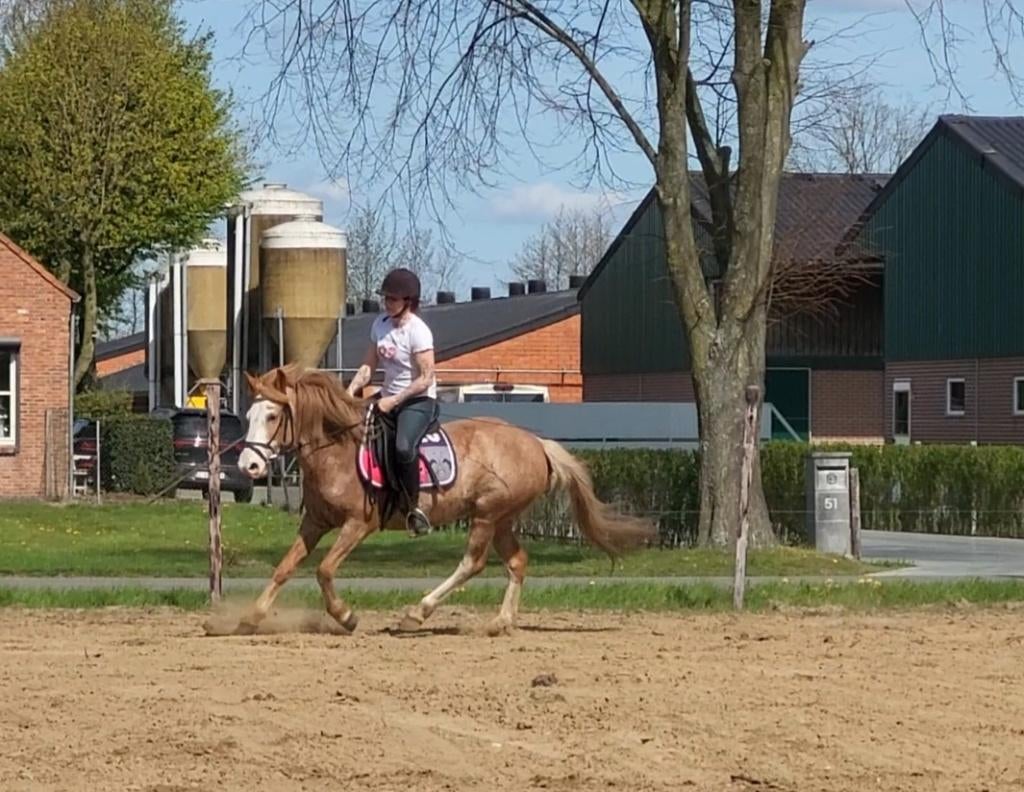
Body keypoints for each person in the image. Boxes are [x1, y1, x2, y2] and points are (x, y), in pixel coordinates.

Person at [347, 267, 438, 536]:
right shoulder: (380, 325)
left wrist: (394, 401)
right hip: (387, 398)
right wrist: (350, 392)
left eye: (393, 299)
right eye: (385, 298)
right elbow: (368, 366)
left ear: (408, 301)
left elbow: (426, 377)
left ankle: (413, 508)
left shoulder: (418, 332)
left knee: (402, 447)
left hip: (418, 401)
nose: (387, 303)